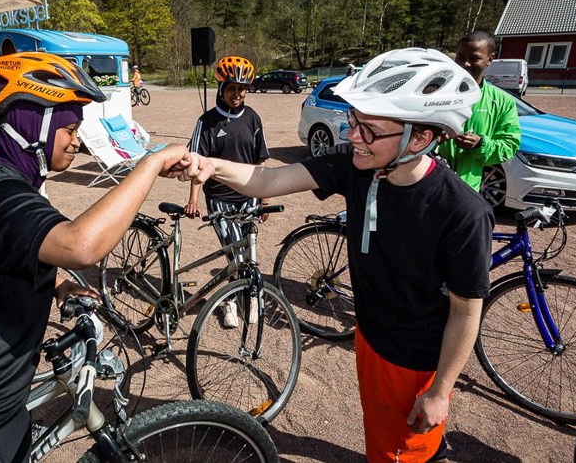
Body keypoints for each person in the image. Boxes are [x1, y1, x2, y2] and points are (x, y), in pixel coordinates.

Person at [182, 48, 494, 462]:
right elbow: (266, 178)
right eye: (353, 122)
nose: (352, 137)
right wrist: (208, 165)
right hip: (368, 335)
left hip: (413, 362)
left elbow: (466, 312)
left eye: (368, 129)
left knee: (398, 454)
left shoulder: (462, 213)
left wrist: (439, 391)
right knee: (380, 442)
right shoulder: (358, 165)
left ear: (419, 138)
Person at [0, 52, 190, 462]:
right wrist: (151, 163)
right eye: (69, 128)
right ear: (35, 125)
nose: (77, 140)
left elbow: (0, 259)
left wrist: (57, 282)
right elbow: (80, 245)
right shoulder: (1, 192)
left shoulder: (6, 180)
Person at [184, 55, 270, 329]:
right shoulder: (206, 121)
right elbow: (197, 162)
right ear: (222, 88)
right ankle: (230, 301)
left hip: (250, 195)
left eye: (242, 89)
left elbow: (261, 160)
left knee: (251, 253)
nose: (237, 94)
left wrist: (265, 197)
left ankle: (252, 297)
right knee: (235, 253)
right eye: (232, 88)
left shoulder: (253, 118)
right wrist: (193, 199)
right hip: (220, 198)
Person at [439, 30, 521, 192]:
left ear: (490, 59)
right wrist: (433, 137)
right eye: (460, 57)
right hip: (428, 185)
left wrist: (480, 144)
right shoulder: (436, 92)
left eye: (474, 58)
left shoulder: (503, 102)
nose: (465, 64)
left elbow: (509, 146)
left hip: (466, 190)